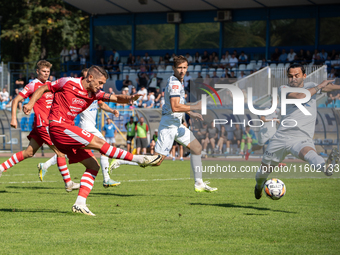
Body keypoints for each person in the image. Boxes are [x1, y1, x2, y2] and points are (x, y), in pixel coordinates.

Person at [21, 65, 162, 216]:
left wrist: (129, 99)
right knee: (101, 144)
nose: (101, 87)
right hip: (58, 127)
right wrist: (30, 103)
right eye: (100, 83)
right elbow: (43, 88)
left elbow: (115, 97)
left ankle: (79, 203)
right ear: (90, 78)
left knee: (93, 165)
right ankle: (140, 159)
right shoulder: (67, 82)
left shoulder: (94, 94)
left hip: (66, 131)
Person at [254, 63, 340, 200]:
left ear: (304, 76)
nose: (293, 78)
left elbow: (327, 87)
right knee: (263, 172)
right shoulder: (283, 89)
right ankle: (258, 186)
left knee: (309, 153)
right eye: (290, 76)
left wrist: (332, 86)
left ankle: (326, 167)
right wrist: (319, 86)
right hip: (281, 137)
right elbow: (302, 96)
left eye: (296, 75)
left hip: (301, 137)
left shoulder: (310, 85)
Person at [0, 60, 79, 192]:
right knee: (60, 152)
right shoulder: (32, 85)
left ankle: (1, 168)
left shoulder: (50, 85)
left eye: (48, 72)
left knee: (29, 152)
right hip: (44, 125)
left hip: (45, 125)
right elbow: (16, 100)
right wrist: (14, 118)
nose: (46, 74)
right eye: (43, 71)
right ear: (37, 72)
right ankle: (68, 183)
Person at [38, 68, 121, 188]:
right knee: (104, 147)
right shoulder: (79, 92)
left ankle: (45, 165)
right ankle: (106, 178)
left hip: (90, 126)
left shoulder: (94, 93)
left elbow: (101, 104)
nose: (99, 85)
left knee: (70, 151)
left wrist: (112, 110)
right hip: (85, 127)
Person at [153, 55, 217, 192]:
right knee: (156, 161)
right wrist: (196, 106)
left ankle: (199, 183)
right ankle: (122, 160)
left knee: (197, 148)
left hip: (176, 124)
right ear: (174, 68)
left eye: (184, 67)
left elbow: (180, 105)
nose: (182, 70)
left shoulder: (178, 81)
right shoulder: (175, 83)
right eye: (179, 68)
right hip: (169, 125)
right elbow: (176, 107)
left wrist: (190, 113)